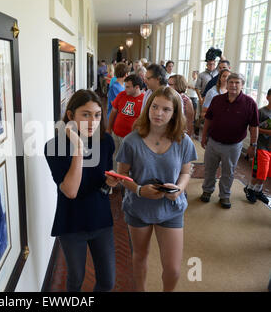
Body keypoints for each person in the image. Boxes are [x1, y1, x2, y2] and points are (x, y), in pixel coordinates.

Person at [114, 86, 197, 292]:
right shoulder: (131, 140)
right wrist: (140, 190)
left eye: (166, 109)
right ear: (147, 107)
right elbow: (122, 176)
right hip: (139, 207)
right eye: (154, 107)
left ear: (175, 113)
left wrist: (179, 189)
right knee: (140, 256)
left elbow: (186, 172)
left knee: (173, 269)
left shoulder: (183, 141)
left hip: (171, 207)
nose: (158, 113)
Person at [44, 89, 117, 292]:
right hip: (71, 222)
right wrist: (77, 147)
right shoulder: (53, 147)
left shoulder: (106, 142)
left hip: (101, 219)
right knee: (76, 279)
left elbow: (103, 185)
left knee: (107, 281)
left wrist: (109, 184)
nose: (92, 121)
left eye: (97, 115)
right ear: (70, 116)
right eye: (85, 114)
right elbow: (71, 191)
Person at [200, 73, 259, 209]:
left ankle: (224, 196)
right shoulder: (217, 100)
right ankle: (207, 191)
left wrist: (253, 145)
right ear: (226, 83)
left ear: (242, 85)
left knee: (228, 172)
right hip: (213, 142)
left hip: (233, 146)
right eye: (231, 81)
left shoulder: (250, 103)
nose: (233, 85)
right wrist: (204, 136)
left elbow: (254, 126)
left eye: (237, 82)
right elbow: (208, 119)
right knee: (209, 169)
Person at [107, 74, 145, 171]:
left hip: (131, 138)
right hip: (116, 133)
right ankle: (115, 179)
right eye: (125, 86)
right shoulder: (122, 95)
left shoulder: (145, 100)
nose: (125, 88)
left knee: (129, 161)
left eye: (128, 87)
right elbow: (113, 112)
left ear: (137, 87)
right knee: (115, 157)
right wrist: (108, 128)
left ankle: (126, 180)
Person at [244, 88, 271, 205]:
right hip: (261, 146)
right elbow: (253, 127)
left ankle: (258, 190)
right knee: (261, 170)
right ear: (268, 97)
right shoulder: (261, 112)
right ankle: (249, 188)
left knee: (266, 172)